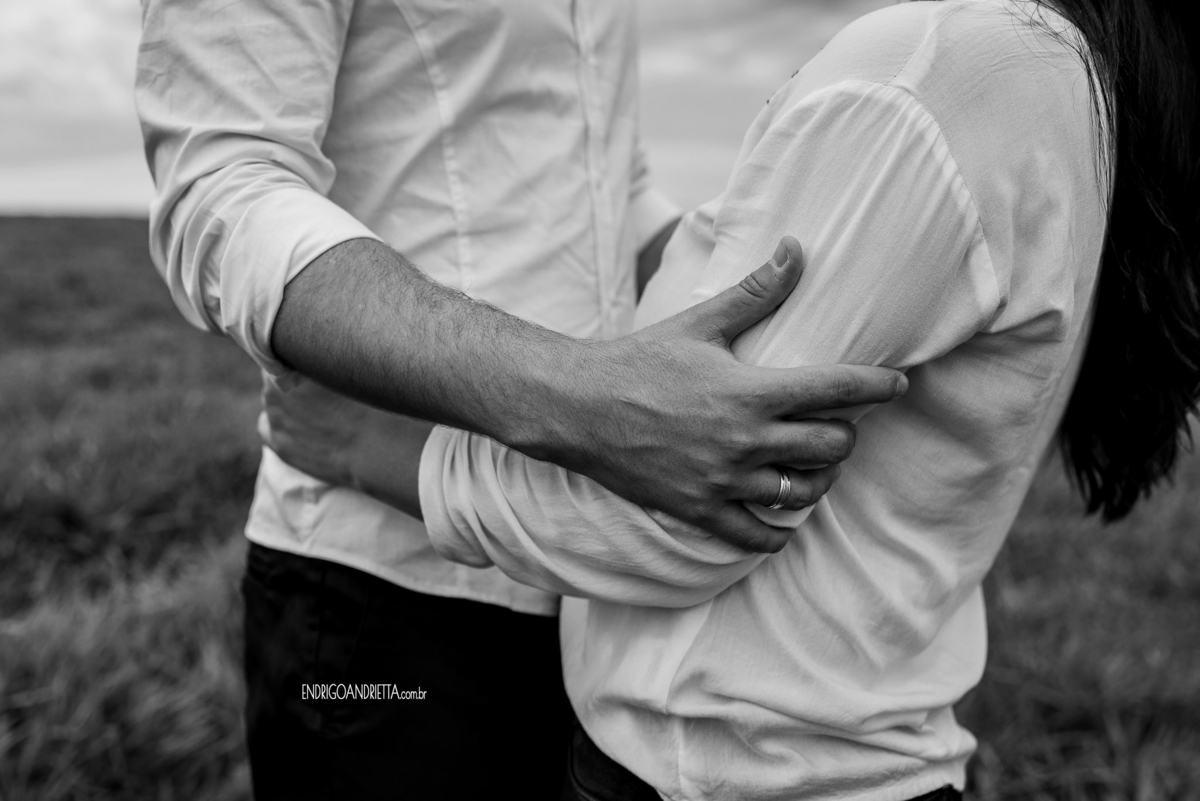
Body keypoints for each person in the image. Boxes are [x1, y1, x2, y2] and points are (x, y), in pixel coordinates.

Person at [264, 0, 1200, 798]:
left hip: (719, 769)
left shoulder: (942, 71)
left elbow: (692, 502)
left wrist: (379, 450)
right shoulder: (1065, 79)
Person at [135, 1, 907, 798]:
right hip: (381, 589)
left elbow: (612, 182)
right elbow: (223, 187)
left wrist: (785, 307)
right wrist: (584, 398)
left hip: (588, 566)